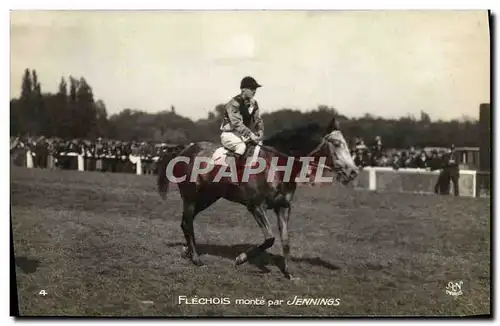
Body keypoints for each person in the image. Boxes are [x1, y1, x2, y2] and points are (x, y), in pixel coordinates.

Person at [220, 76, 264, 162]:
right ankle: (230, 173)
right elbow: (237, 123)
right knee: (241, 147)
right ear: (243, 89)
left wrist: (260, 131)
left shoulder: (254, 103)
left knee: (257, 147)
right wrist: (251, 135)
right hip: (229, 134)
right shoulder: (233, 103)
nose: (254, 91)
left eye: (255, 89)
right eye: (251, 89)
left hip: (243, 135)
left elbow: (257, 119)